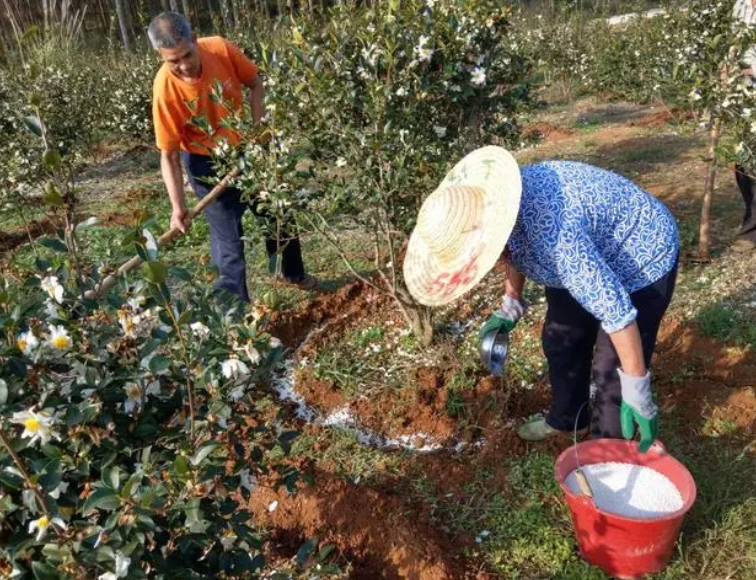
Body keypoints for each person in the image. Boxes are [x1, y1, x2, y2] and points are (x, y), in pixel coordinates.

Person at [403, 147, 679, 452]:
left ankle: (607, 452)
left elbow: (618, 315)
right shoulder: (499, 209)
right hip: (586, 247)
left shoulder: (557, 238)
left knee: (611, 369)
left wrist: (638, 389)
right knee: (560, 338)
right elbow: (512, 248)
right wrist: (512, 300)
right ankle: (568, 419)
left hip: (640, 254)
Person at [148, 11, 315, 303]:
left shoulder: (221, 49)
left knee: (277, 213)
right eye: (172, 61)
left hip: (248, 149)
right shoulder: (165, 89)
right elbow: (169, 156)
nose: (184, 66)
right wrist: (177, 207)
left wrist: (257, 135)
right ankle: (236, 310)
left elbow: (255, 84)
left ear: (195, 40)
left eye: (187, 55)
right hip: (205, 163)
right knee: (228, 241)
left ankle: (291, 274)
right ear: (160, 56)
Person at [731, 0, 756, 252]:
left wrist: (751, 70)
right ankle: (750, 217)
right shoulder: (740, 5)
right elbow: (732, 44)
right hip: (741, 96)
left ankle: (751, 230)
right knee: (741, 163)